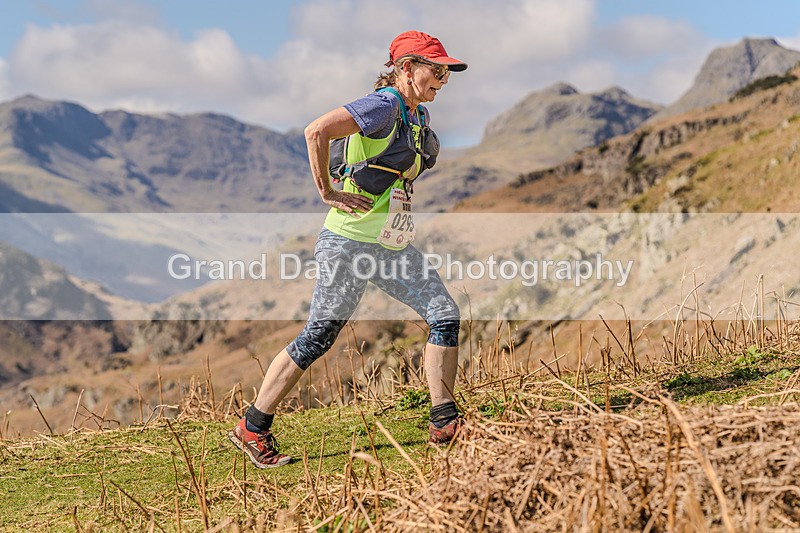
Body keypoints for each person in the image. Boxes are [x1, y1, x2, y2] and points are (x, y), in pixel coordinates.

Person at [228, 30, 468, 468]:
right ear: (405, 68)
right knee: (319, 335)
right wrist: (328, 192)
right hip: (348, 243)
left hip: (389, 245)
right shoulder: (383, 105)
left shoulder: (417, 117)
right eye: (436, 70)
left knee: (444, 314)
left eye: (446, 72)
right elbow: (315, 130)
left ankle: (444, 420)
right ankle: (252, 426)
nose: (443, 79)